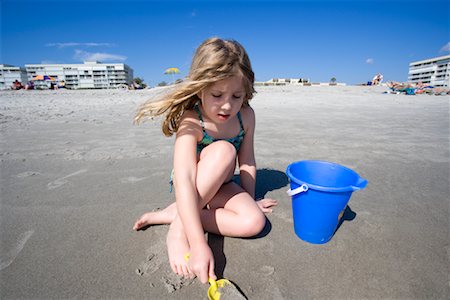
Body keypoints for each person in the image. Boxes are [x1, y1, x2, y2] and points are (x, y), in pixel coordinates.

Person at [133, 37, 278, 284]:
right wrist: (198, 243)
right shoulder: (192, 120)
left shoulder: (246, 116)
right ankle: (178, 229)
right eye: (217, 94)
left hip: (222, 185)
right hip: (190, 185)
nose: (227, 105)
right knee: (224, 151)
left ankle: (171, 214)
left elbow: (248, 160)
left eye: (236, 95)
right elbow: (185, 178)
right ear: (200, 89)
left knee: (255, 222)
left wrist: (250, 198)